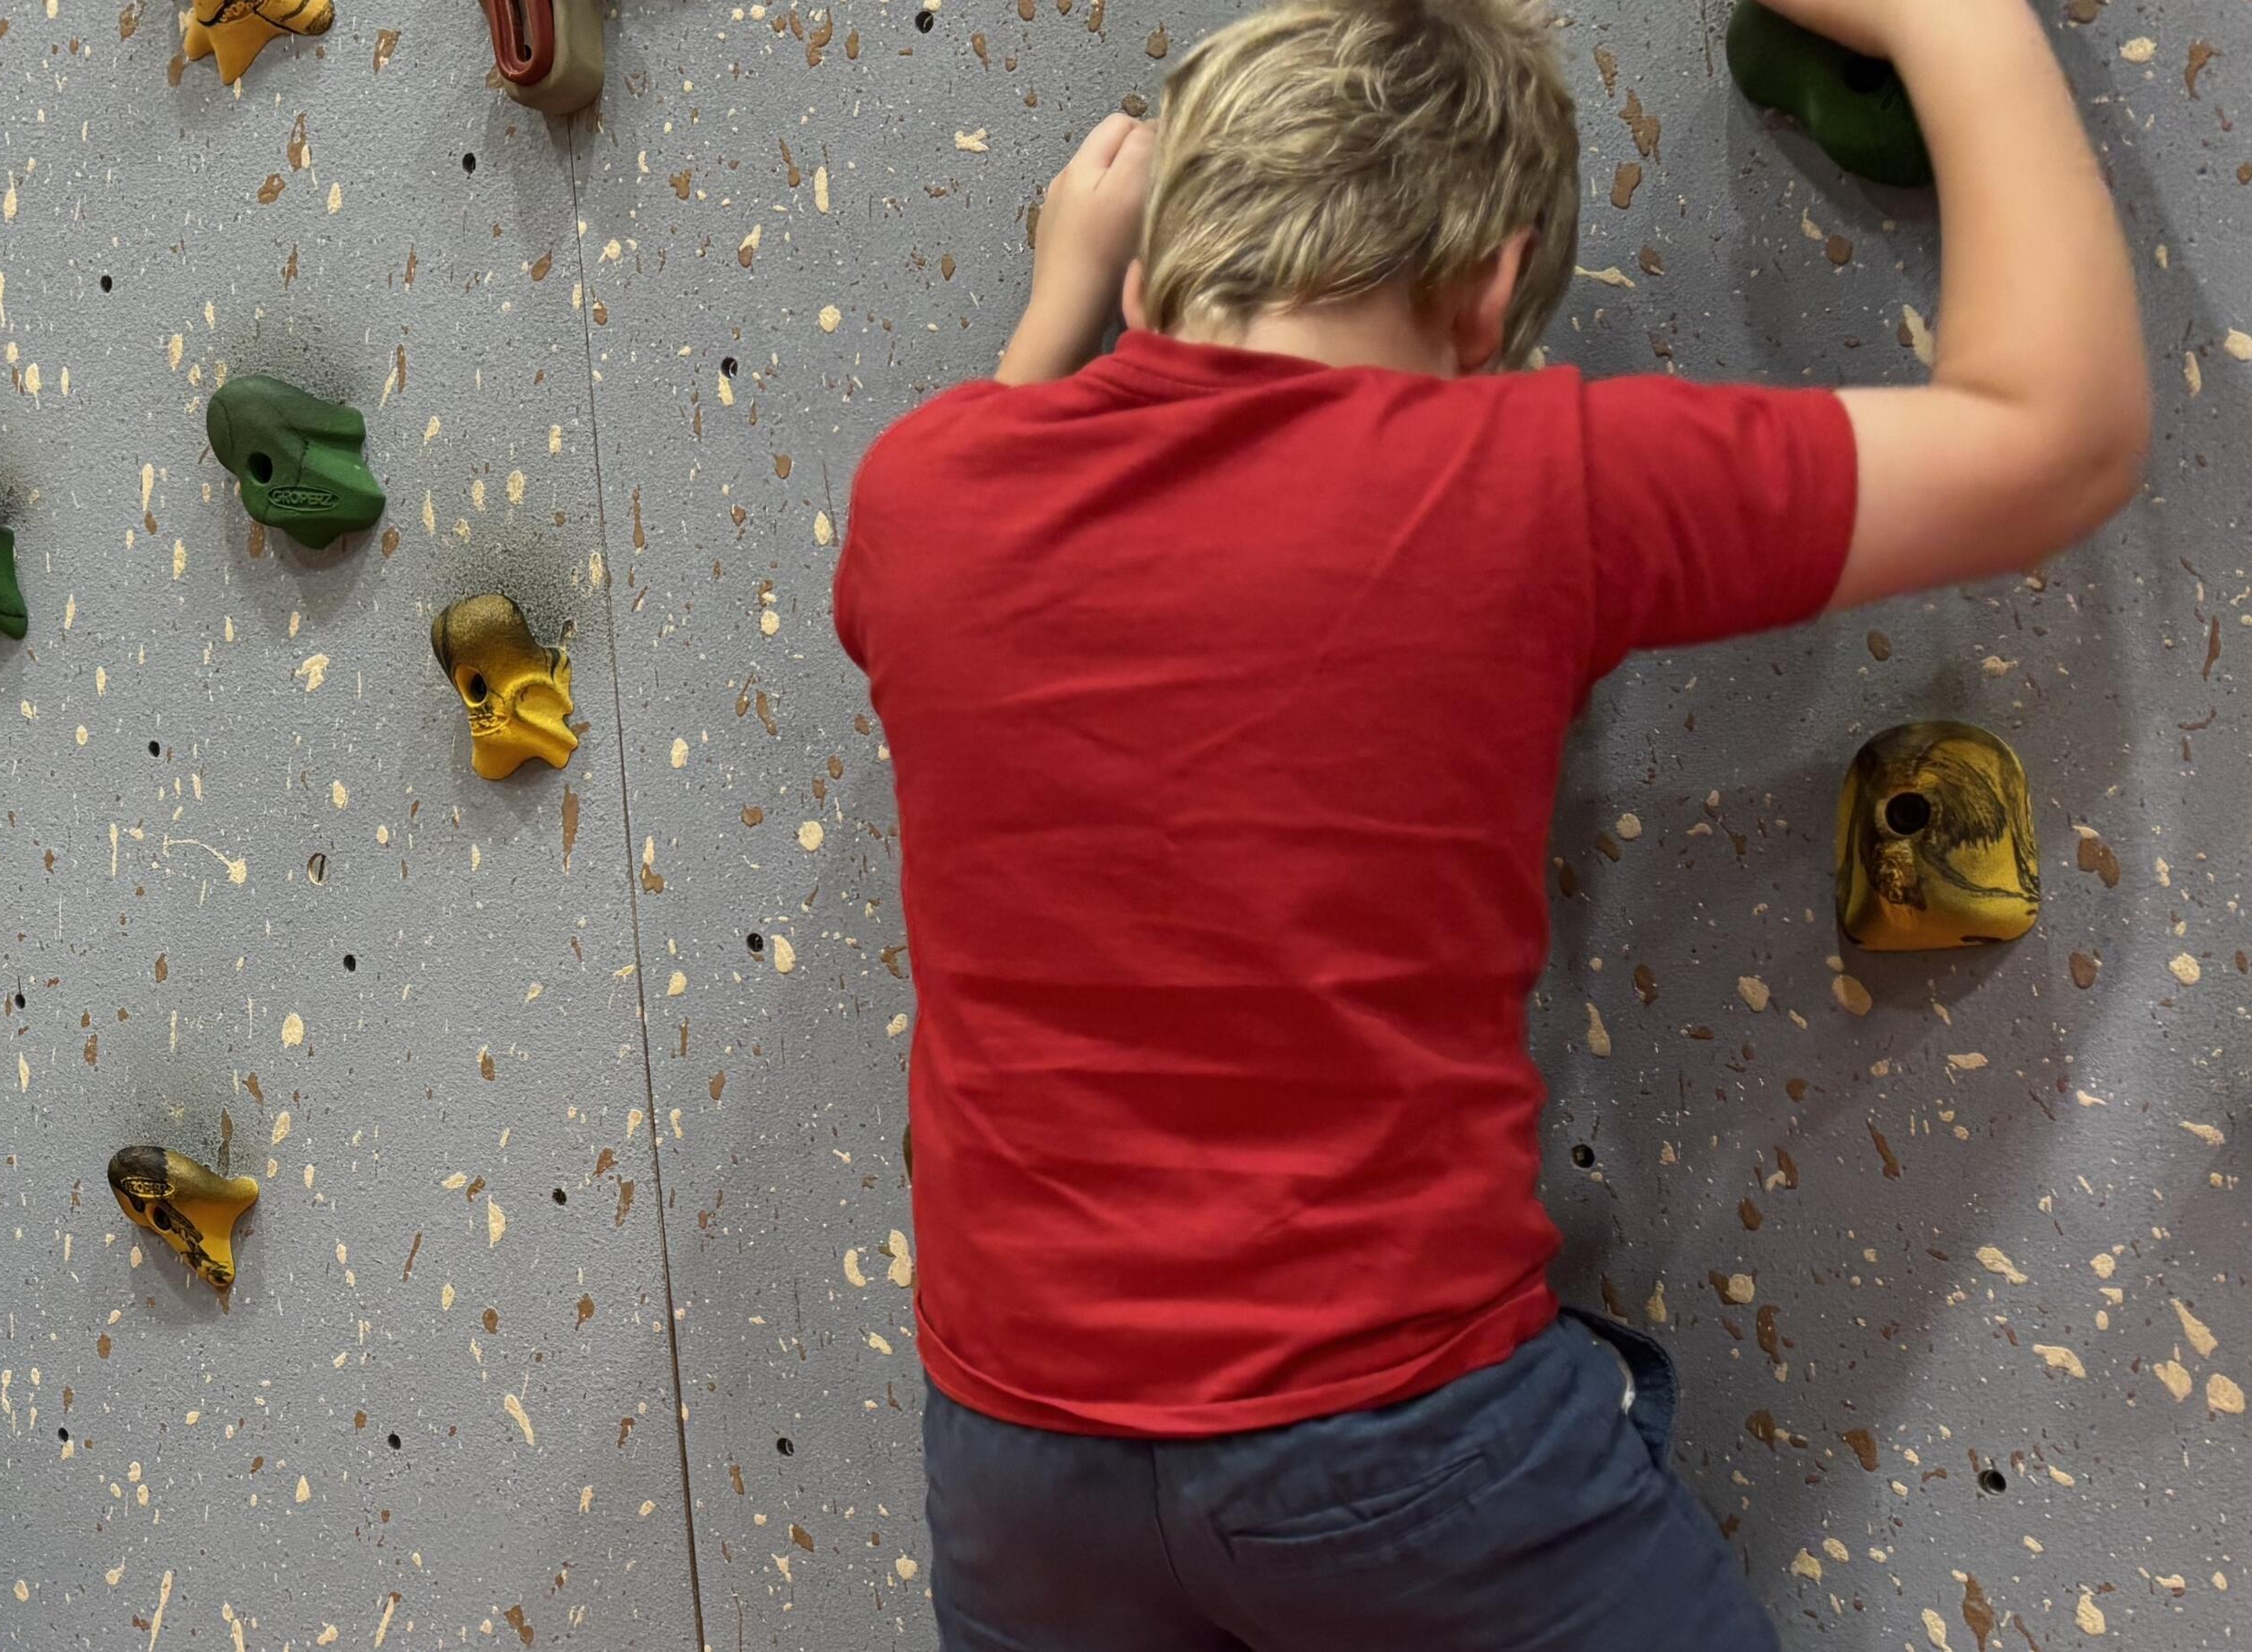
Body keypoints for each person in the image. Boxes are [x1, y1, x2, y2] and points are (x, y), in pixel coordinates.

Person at [833, 0, 2145, 1646]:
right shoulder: (1514, 478)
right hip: (1391, 1445)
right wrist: (1949, 24)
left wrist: (1054, 300)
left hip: (1017, 1464)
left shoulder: (923, 492)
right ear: (1485, 293)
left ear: (1150, 281)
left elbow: (965, 481)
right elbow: (2056, 437)